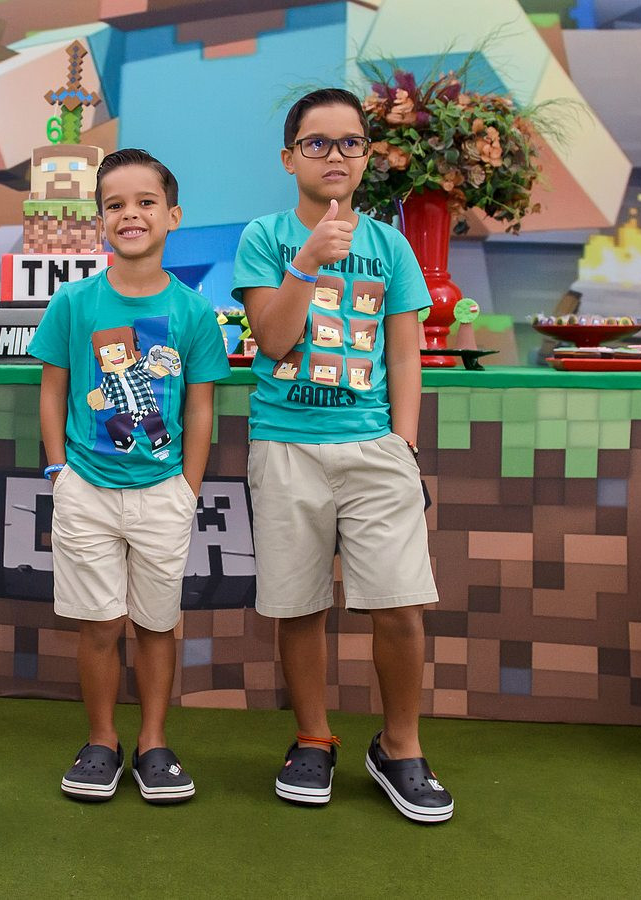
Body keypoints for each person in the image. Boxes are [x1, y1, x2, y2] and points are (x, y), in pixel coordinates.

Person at [231, 88, 453, 823]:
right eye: (317, 143)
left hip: (373, 446)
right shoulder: (264, 236)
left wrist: (404, 442)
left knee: (399, 602)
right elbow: (272, 342)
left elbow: (405, 355)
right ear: (289, 157)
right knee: (299, 606)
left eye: (350, 142)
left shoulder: (389, 246)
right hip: (284, 445)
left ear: (367, 155)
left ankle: (400, 746)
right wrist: (307, 262)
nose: (335, 155)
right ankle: (312, 738)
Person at [29, 148, 231, 804]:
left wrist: (187, 488)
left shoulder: (193, 312)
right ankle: (101, 741)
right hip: (85, 488)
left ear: (173, 216)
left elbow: (200, 406)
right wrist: (59, 470)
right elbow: (52, 389)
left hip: (163, 492)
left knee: (156, 624)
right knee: (97, 624)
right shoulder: (73, 301)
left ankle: (153, 743)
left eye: (145, 202)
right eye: (115, 205)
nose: (130, 214)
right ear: (100, 222)